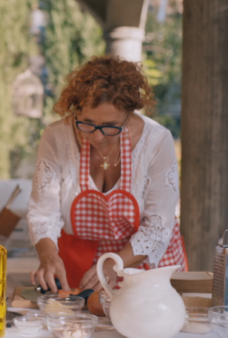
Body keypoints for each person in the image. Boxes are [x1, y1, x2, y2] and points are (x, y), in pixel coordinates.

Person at [28, 56, 186, 293]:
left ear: (129, 115)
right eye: (87, 123)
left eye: (110, 126)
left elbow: (157, 227)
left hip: (143, 261)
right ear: (76, 110)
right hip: (83, 263)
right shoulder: (56, 137)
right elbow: (43, 213)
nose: (97, 137)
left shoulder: (156, 141)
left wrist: (114, 264)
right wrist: (48, 253)